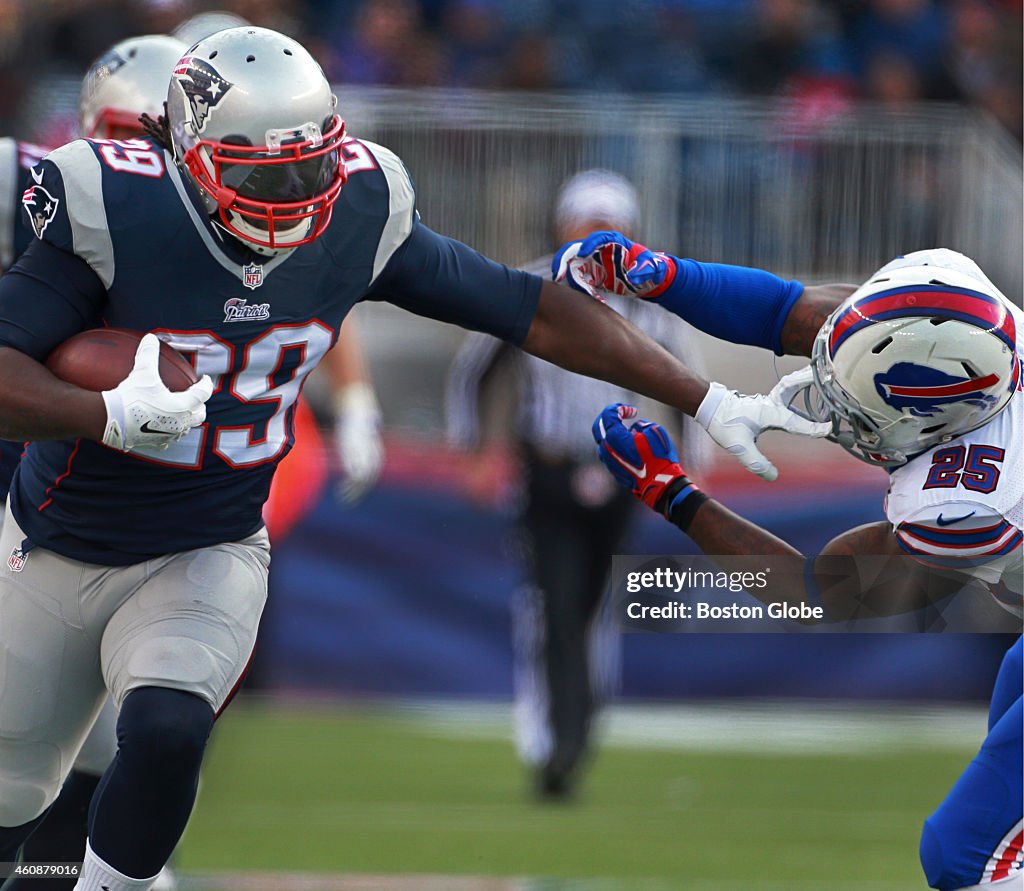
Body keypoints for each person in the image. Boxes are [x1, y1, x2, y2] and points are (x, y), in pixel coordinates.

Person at [0, 26, 822, 888]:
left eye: (309, 166)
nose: (290, 194)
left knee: (167, 733)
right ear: (189, 154)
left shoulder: (357, 209)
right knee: (15, 799)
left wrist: (704, 394)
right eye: (258, 172)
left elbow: (529, 308)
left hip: (207, 547)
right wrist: (99, 413)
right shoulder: (115, 210)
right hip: (53, 544)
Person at [577, 238, 1021, 891]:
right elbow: (794, 310)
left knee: (963, 854)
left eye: (866, 406)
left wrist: (674, 495)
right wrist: (664, 274)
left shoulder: (966, 501)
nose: (837, 406)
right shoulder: (974, 329)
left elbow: (816, 595)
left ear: (931, 420)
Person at [446, 169, 711, 798]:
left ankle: (579, 728)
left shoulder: (653, 304)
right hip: (550, 467)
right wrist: (475, 451)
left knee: (593, 608)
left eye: (612, 226)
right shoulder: (531, 288)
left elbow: (692, 391)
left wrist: (692, 480)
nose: (601, 238)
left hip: (623, 477)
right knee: (553, 605)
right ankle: (556, 742)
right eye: (590, 224)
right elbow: (473, 370)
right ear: (565, 227)